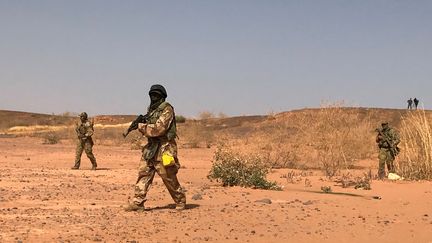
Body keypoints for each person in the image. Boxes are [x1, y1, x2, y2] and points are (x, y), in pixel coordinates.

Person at [125, 84, 186, 211]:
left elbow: (159, 129)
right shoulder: (151, 110)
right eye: (152, 95)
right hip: (151, 147)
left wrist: (141, 127)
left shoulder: (167, 109)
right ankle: (138, 202)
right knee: (144, 173)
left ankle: (180, 200)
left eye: (156, 95)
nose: (153, 97)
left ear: (162, 97)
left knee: (167, 176)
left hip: (164, 147)